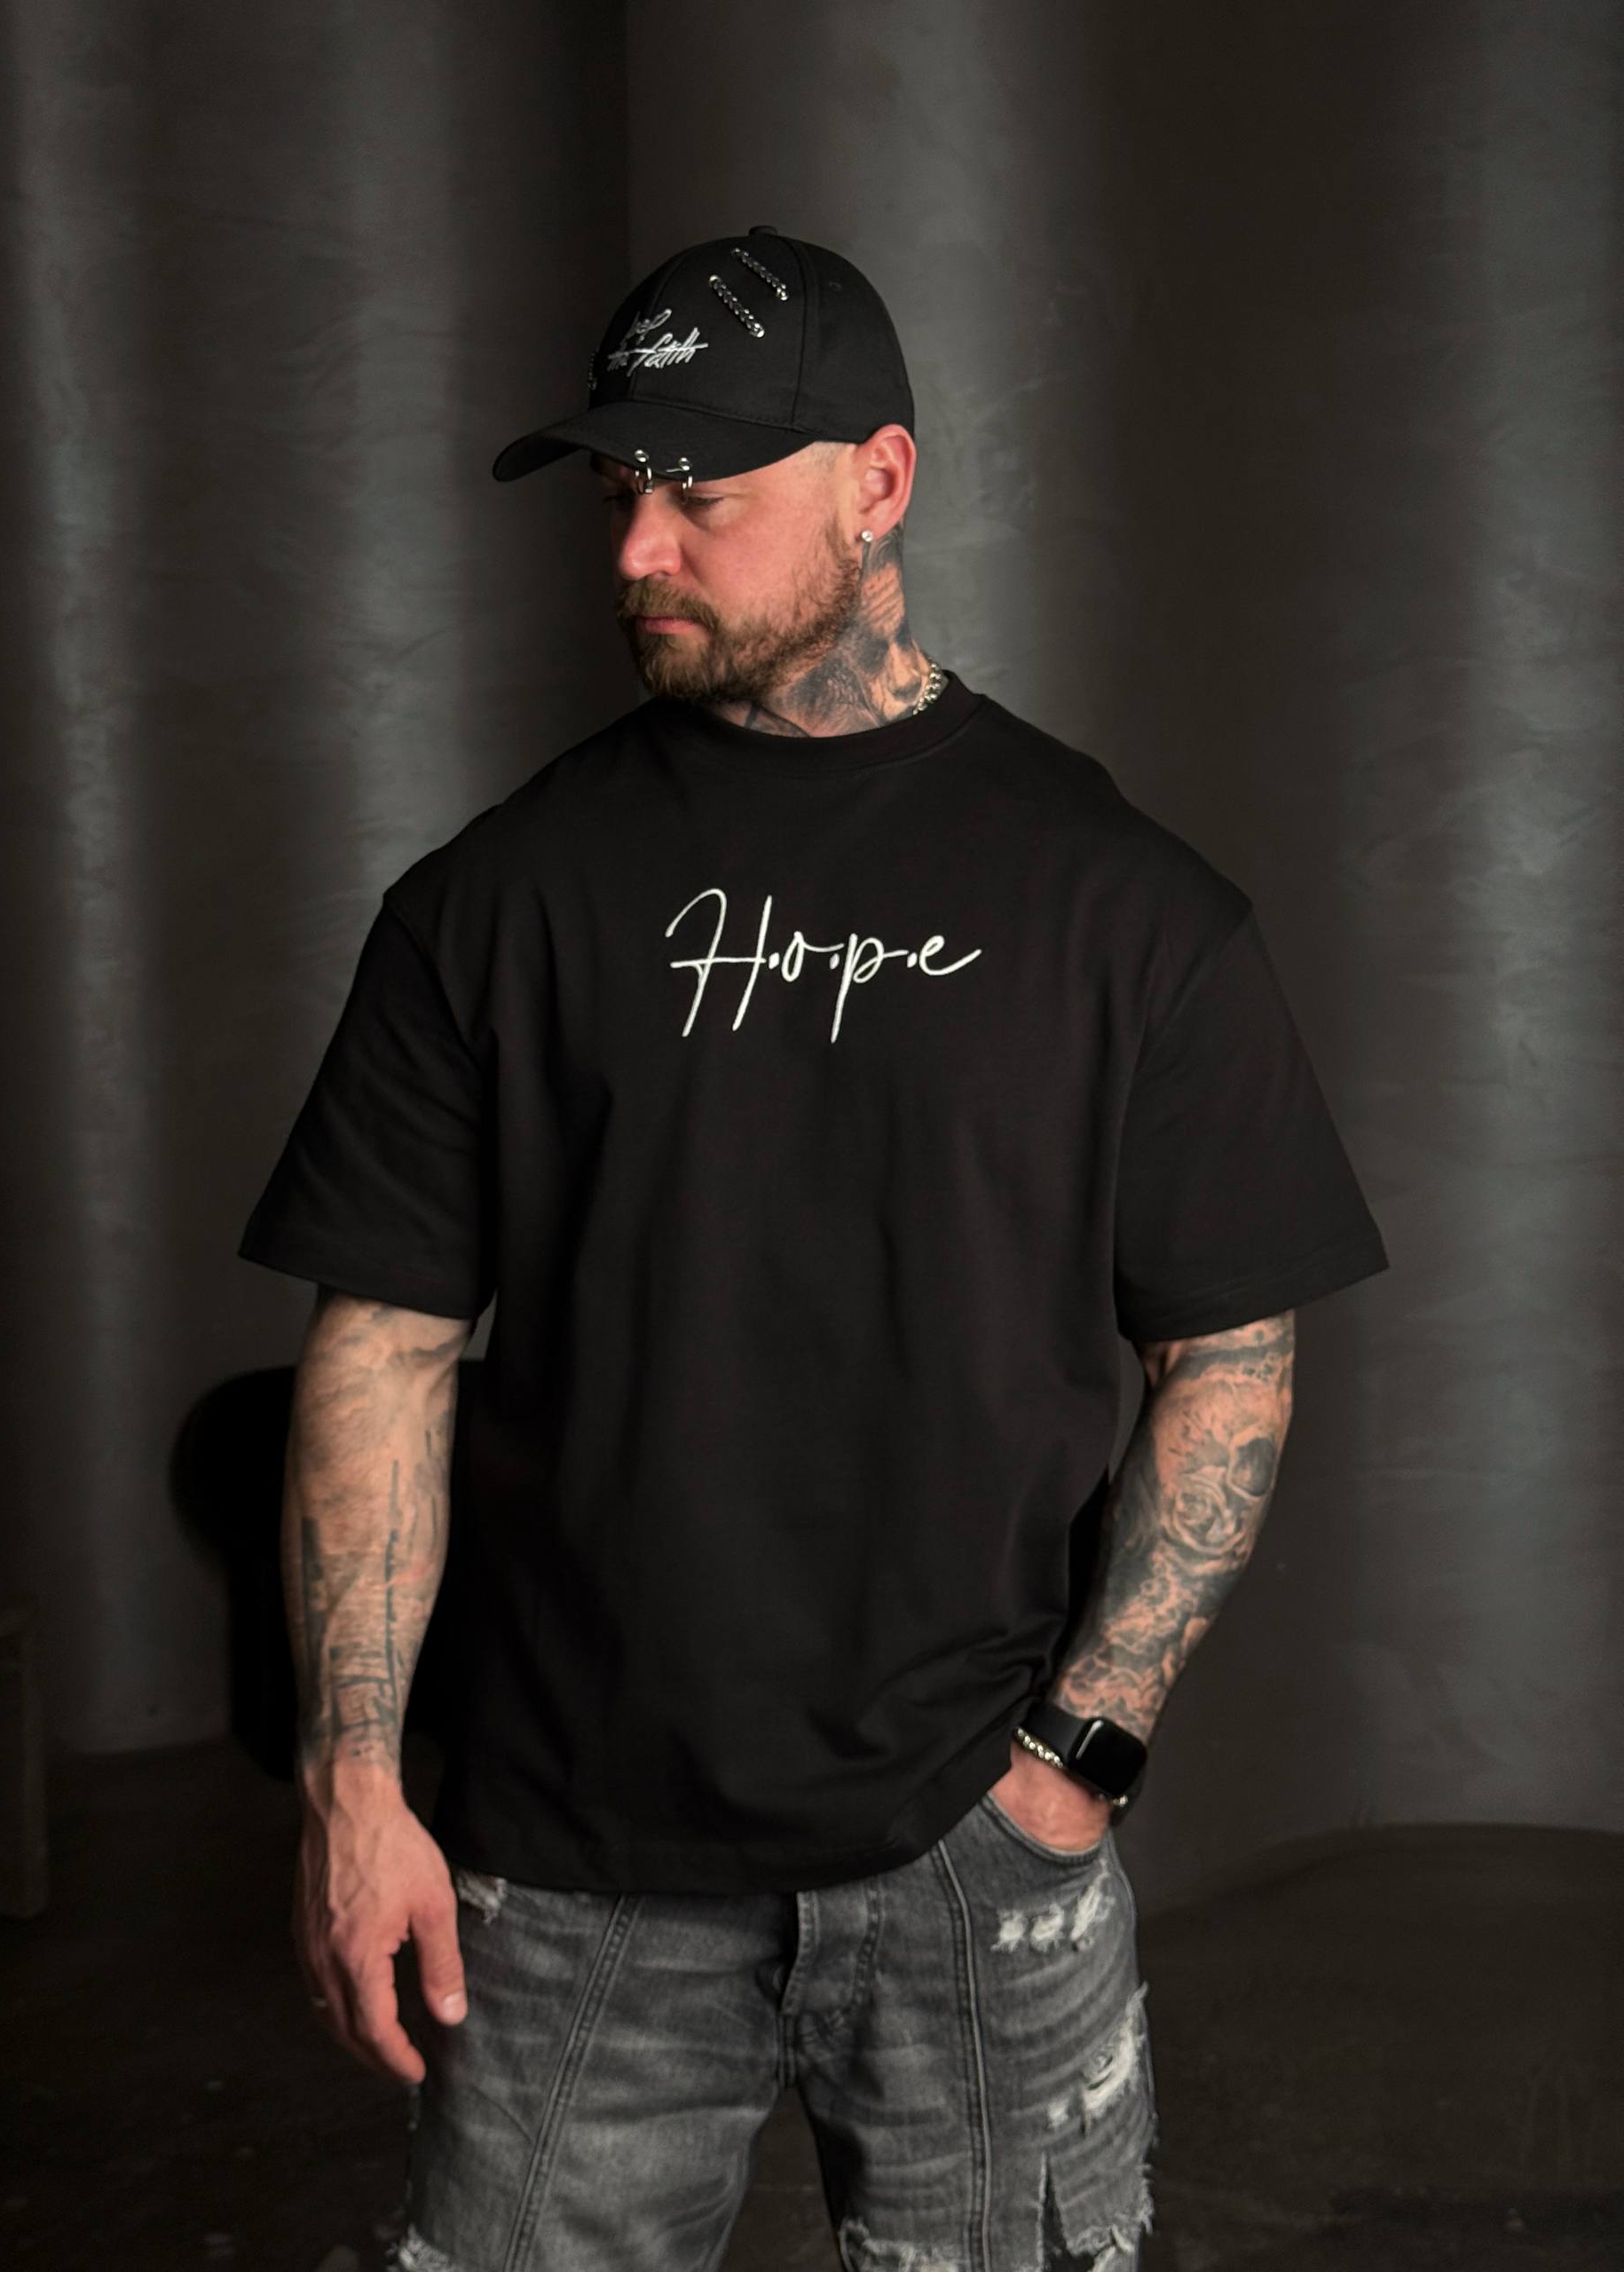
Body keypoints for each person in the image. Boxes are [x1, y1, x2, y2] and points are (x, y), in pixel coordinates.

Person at [238, 226, 1390, 2272]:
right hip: (568, 1864)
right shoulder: (495, 904)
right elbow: (384, 1340)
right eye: (621, 492)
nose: (637, 550)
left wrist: (1082, 1747)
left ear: (880, 479)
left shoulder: (1123, 908)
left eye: (703, 491)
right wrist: (353, 1782)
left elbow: (1229, 1347)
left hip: (974, 1856)